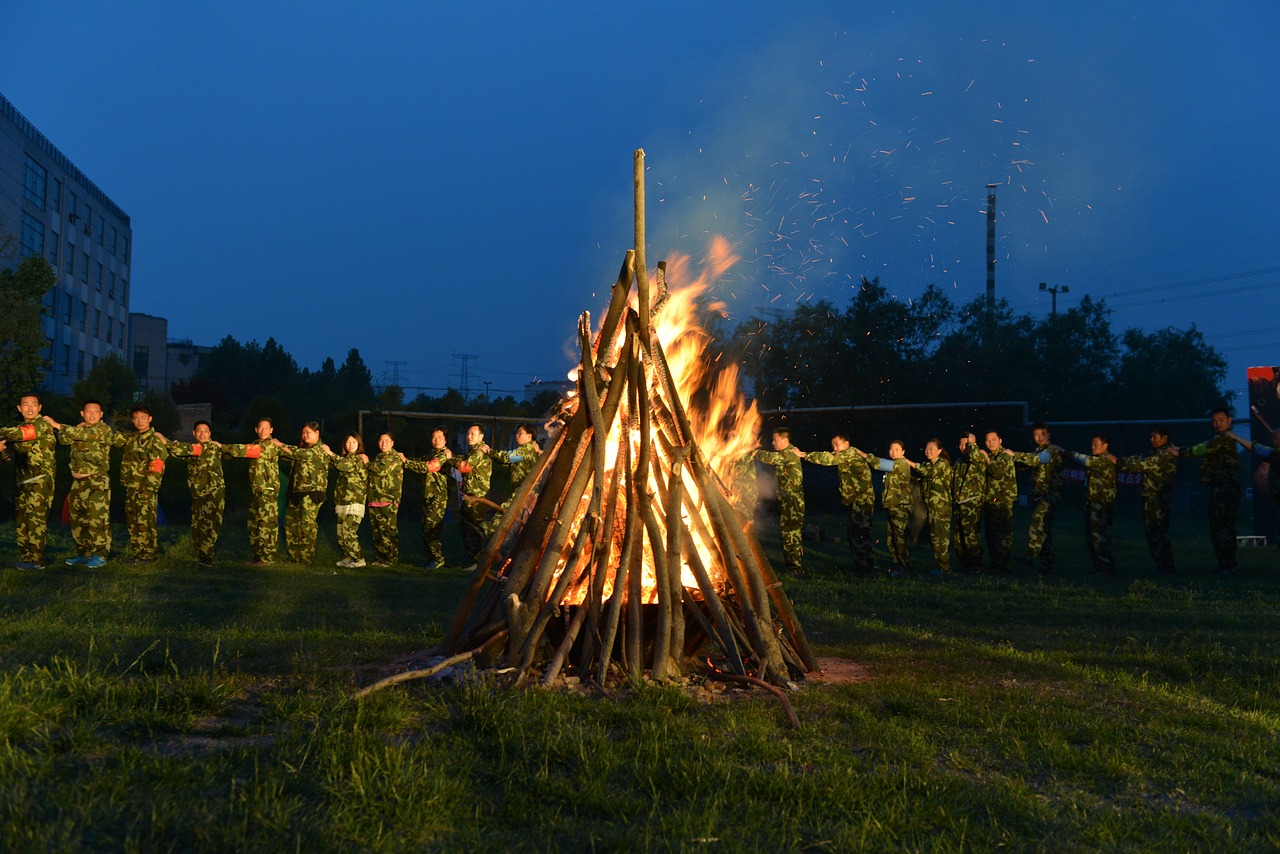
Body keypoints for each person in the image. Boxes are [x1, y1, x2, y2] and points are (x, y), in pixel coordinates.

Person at [1172, 408, 1241, 574]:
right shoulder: (1221, 438)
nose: (1218, 423)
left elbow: (1202, 448)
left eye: (1221, 420)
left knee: (1222, 525)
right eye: (1215, 421)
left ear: (1229, 420)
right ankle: (1226, 562)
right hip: (1221, 487)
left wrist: (1180, 452)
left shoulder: (1223, 438)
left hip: (1224, 488)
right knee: (1221, 524)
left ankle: (1228, 563)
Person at [48, 401, 113, 568]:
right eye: (88, 411)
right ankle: (84, 553)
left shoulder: (103, 430)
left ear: (101, 414)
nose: (92, 414)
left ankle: (100, 554)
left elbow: (82, 435)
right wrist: (77, 427)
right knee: (78, 518)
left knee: (97, 518)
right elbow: (63, 439)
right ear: (82, 413)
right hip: (78, 482)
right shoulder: (79, 430)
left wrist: (56, 424)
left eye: (96, 412)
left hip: (97, 481)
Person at [799, 433, 876, 574]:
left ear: (846, 443)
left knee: (857, 534)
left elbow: (827, 458)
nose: (834, 447)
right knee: (862, 532)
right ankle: (868, 565)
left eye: (837, 444)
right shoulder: (849, 454)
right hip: (859, 500)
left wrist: (803, 454)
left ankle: (864, 568)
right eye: (832, 444)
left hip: (861, 501)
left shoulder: (849, 454)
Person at [2, 393, 58, 569]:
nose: (30, 408)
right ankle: (27, 559)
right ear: (19, 408)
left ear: (40, 407)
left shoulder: (42, 424)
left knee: (36, 521)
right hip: (23, 482)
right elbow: (12, 454)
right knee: (22, 522)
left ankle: (37, 560)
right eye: (25, 405)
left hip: (39, 480)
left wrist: (3, 434)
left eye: (34, 404)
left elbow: (17, 435)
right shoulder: (20, 429)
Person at [1116, 425, 1179, 574]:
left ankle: (1166, 566)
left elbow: (1141, 464)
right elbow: (1137, 458)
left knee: (1159, 532)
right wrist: (1119, 461)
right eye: (1151, 436)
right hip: (1150, 498)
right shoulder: (1154, 453)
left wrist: (1117, 462)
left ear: (1165, 438)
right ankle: (1162, 565)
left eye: (1155, 437)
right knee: (1152, 532)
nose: (1151, 440)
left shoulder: (1165, 454)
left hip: (1159, 499)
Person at [112, 404, 169, 563]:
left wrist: (149, 489)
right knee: (133, 521)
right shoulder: (132, 438)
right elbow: (111, 438)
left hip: (145, 488)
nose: (140, 422)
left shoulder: (154, 440)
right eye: (136, 418)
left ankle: (149, 554)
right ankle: (137, 553)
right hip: (131, 487)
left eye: (143, 418)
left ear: (150, 419)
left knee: (146, 522)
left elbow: (157, 466)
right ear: (132, 420)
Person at [221, 418, 283, 566]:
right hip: (257, 491)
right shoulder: (256, 444)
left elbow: (244, 450)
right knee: (254, 524)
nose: (263, 430)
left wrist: (222, 446)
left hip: (267, 490)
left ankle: (267, 558)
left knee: (266, 524)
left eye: (266, 428)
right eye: (260, 428)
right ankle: (257, 556)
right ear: (256, 429)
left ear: (271, 430)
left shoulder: (270, 445)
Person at [1008, 422, 1064, 575]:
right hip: (1039, 495)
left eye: (1043, 434)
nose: (1039, 437)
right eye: (1036, 434)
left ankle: (1030, 555)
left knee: (1037, 521)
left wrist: (1015, 455)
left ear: (1049, 435)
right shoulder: (1039, 450)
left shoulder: (1053, 450)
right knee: (1043, 531)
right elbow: (1029, 463)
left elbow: (1037, 460)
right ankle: (1047, 566)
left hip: (1049, 495)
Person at [167, 420, 225, 567]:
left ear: (210, 434)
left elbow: (236, 450)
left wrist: (165, 441)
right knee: (197, 525)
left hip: (213, 495)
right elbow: (178, 450)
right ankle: (202, 555)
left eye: (205, 430)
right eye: (199, 430)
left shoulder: (213, 447)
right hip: (197, 495)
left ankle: (207, 557)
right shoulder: (192, 450)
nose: (202, 433)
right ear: (194, 433)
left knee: (210, 525)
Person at [275, 422, 332, 565]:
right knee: (291, 524)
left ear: (317, 433)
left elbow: (299, 454)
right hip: (297, 492)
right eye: (303, 433)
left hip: (311, 493)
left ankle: (306, 558)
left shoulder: (319, 449)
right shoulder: (303, 448)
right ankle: (295, 556)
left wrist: (280, 444)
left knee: (307, 526)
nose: (305, 435)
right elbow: (292, 454)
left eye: (308, 432)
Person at [752, 428, 805, 575]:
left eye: (776, 440)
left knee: (791, 533)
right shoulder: (786, 453)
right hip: (787, 500)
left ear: (785, 440)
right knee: (788, 533)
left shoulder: (789, 453)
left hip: (792, 501)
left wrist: (753, 451)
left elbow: (770, 458)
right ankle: (792, 565)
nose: (773, 442)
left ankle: (795, 568)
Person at [446, 424, 494, 567]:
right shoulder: (474, 451)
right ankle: (474, 560)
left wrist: (450, 459)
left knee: (473, 530)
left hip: (477, 497)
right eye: (468, 434)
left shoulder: (479, 451)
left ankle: (478, 561)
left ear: (481, 436)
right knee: (468, 528)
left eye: (473, 434)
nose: (469, 436)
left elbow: (465, 467)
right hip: (472, 496)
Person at [404, 426, 452, 569]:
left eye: (440, 438)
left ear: (445, 440)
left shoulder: (444, 454)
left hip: (438, 497)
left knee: (431, 527)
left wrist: (405, 462)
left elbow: (428, 467)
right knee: (426, 527)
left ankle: (437, 558)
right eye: (434, 438)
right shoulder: (431, 453)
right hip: (427, 496)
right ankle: (431, 557)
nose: (436, 440)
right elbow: (419, 461)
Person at [1226, 427, 1280, 548]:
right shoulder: (1275, 455)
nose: (1276, 441)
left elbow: (1258, 449)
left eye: (1278, 438)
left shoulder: (1275, 454)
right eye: (1275, 439)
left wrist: (1237, 438)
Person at [1072, 434, 1118, 576]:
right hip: (1092, 503)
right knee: (1092, 536)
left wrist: (1064, 452)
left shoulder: (1105, 460)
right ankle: (1099, 566)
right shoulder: (1098, 460)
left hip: (1101, 505)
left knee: (1100, 535)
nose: (1092, 447)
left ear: (1105, 446)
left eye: (1096, 445)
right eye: (1092, 444)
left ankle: (1106, 566)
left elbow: (1085, 460)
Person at [907, 439, 953, 574]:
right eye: (927, 449)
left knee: (940, 537)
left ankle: (944, 568)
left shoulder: (941, 464)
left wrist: (908, 462)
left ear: (939, 451)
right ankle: (940, 566)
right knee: (935, 538)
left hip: (941, 508)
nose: (928, 451)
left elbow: (928, 472)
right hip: (931, 508)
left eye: (932, 448)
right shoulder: (928, 464)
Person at [868, 440, 913, 575]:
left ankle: (904, 566)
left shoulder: (901, 464)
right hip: (891, 506)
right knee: (891, 537)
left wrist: (865, 455)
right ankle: (897, 564)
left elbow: (878, 463)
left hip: (900, 506)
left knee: (899, 537)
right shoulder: (892, 466)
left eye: (897, 449)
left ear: (903, 452)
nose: (893, 452)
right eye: (891, 449)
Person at [330, 432, 369, 568]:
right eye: (348, 442)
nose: (351, 445)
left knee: (349, 531)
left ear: (359, 444)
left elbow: (344, 465)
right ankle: (349, 557)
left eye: (354, 442)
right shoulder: (344, 458)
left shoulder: (359, 458)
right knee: (341, 533)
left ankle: (359, 559)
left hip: (354, 501)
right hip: (343, 501)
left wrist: (329, 453)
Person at [366, 432, 405, 567]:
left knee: (388, 531)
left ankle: (390, 559)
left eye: (387, 441)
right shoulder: (379, 457)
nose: (384, 444)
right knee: (377, 531)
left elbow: (381, 470)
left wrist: (366, 463)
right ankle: (381, 557)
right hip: (375, 498)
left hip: (388, 500)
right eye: (381, 441)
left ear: (392, 442)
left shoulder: (394, 457)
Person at [951, 432, 986, 574]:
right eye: (961, 444)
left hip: (971, 502)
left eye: (966, 444)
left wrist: (972, 444)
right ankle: (965, 564)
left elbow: (975, 456)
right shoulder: (959, 461)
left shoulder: (978, 457)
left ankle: (975, 565)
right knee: (959, 537)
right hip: (959, 502)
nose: (963, 447)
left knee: (970, 536)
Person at [983, 430, 1017, 574]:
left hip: (1002, 501)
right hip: (991, 500)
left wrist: (986, 458)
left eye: (994, 439)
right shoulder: (992, 456)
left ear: (1000, 440)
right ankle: (995, 565)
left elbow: (997, 471)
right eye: (988, 440)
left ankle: (1004, 566)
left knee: (1002, 535)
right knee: (991, 535)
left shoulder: (1004, 456)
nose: (991, 442)